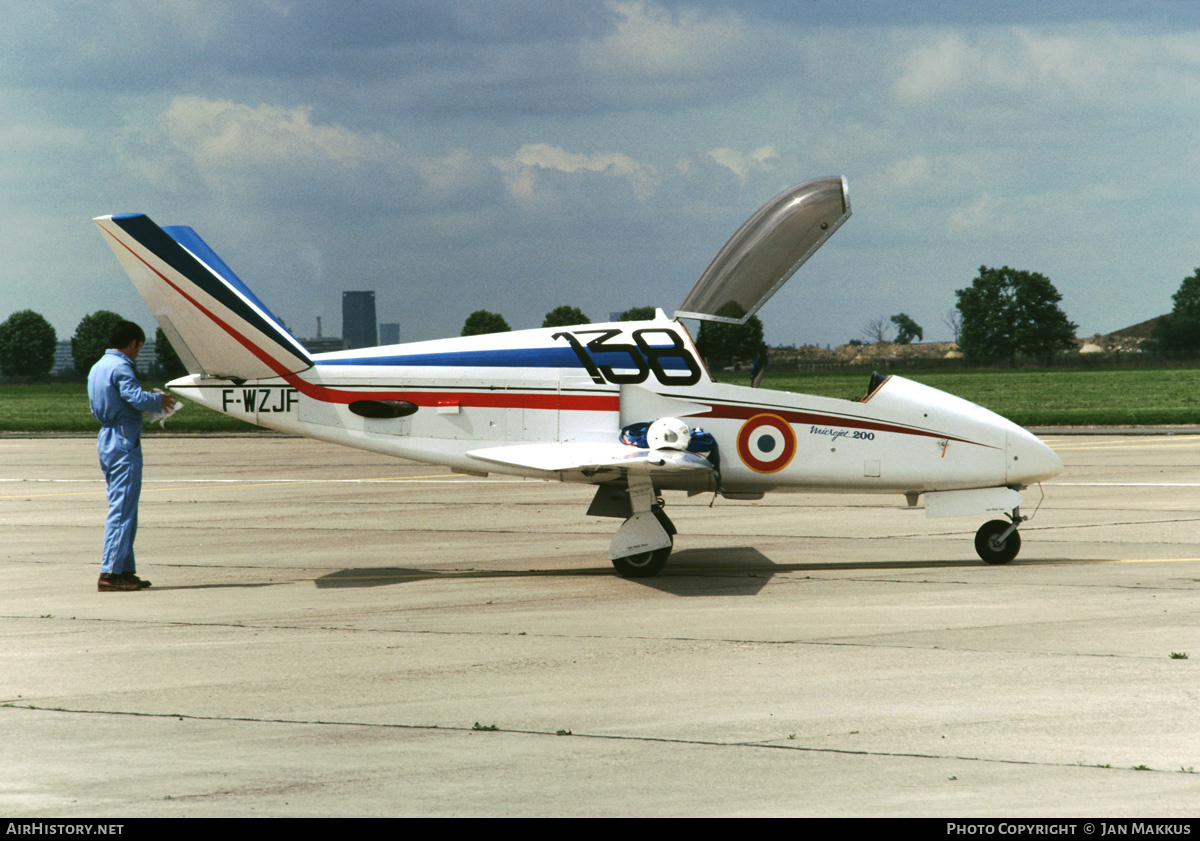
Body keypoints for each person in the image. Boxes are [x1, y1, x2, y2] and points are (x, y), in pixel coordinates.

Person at [87, 321, 177, 592]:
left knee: (124, 506)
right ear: (134, 343)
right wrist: (158, 401)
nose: (138, 352)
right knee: (123, 510)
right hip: (124, 440)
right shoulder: (121, 366)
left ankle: (125, 569)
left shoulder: (98, 366)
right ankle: (110, 573)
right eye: (140, 346)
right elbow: (134, 398)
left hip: (106, 438)